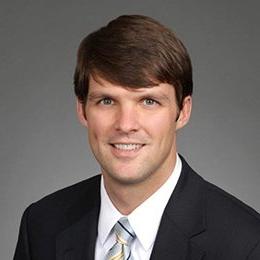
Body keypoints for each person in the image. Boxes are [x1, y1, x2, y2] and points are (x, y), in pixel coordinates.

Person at [14, 15, 260, 260]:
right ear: (82, 109)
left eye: (148, 101)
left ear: (183, 111)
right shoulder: (41, 225)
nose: (125, 124)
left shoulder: (246, 243)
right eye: (107, 101)